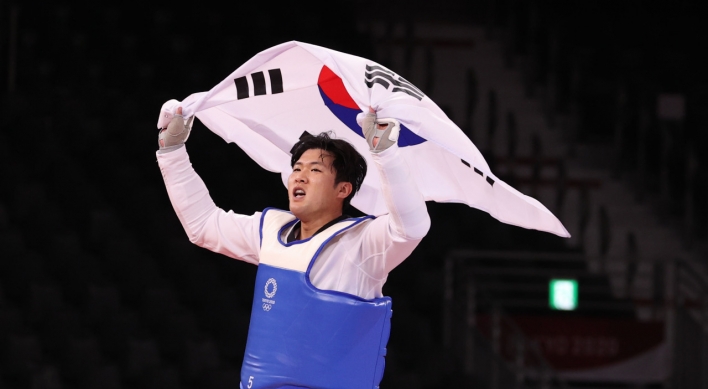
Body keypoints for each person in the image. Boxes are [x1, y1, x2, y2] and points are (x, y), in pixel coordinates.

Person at [156, 106, 430, 388]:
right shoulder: (269, 229)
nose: (299, 176)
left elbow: (412, 227)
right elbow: (203, 225)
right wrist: (172, 152)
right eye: (296, 169)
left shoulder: (361, 242)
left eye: (314, 170)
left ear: (343, 190)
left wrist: (387, 154)